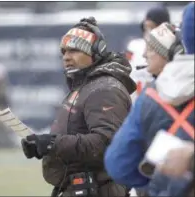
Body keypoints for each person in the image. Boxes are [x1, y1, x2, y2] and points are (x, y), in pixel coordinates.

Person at [21, 17, 136, 197]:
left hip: (99, 190)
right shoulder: (86, 86)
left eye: (74, 50)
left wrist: (52, 144)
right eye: (64, 52)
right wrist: (41, 145)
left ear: (95, 52)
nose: (66, 57)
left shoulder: (104, 89)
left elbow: (105, 143)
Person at [104, 2, 194, 197]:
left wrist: (155, 186)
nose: (145, 54)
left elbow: (118, 163)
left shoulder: (151, 96)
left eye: (152, 49)